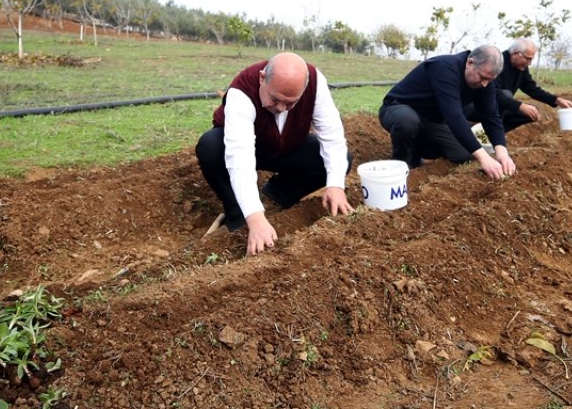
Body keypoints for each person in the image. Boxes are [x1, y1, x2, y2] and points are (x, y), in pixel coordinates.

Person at [195, 52, 353, 256]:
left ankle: (276, 195)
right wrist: (255, 218)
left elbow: (332, 136)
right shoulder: (241, 92)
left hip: (287, 147)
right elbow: (240, 157)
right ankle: (237, 213)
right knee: (210, 146)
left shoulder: (314, 83)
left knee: (341, 161)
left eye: (290, 103)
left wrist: (336, 186)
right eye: (275, 99)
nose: (280, 108)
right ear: (262, 78)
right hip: (250, 148)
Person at [379, 45, 516, 180]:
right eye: (482, 77)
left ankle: (415, 150)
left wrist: (502, 152)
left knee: (463, 154)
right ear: (470, 62)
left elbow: (491, 116)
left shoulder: (485, 83)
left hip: (431, 119)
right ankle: (400, 163)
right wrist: (484, 157)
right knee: (407, 122)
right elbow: (454, 117)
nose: (485, 84)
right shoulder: (445, 68)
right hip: (398, 108)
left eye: (490, 80)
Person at [464, 38, 572, 131]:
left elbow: (531, 88)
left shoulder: (521, 69)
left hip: (498, 107)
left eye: (531, 59)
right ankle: (485, 130)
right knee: (507, 95)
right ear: (516, 54)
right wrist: (520, 106)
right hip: (476, 107)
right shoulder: (497, 63)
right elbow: (493, 93)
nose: (529, 63)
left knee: (531, 113)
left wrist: (556, 100)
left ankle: (493, 134)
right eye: (528, 59)